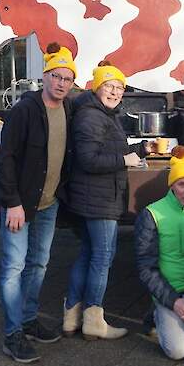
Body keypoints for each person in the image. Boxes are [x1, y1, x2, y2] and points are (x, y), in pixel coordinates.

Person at [0, 42, 76, 363]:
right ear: (44, 76)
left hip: (49, 202)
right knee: (14, 266)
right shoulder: (25, 111)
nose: (60, 83)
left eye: (67, 79)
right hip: (20, 203)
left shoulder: (70, 109)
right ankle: (12, 334)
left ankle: (28, 320)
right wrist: (12, 201)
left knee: (39, 263)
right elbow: (6, 159)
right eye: (55, 76)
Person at [63, 60, 147, 340]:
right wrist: (125, 159)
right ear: (97, 87)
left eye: (120, 87)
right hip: (98, 197)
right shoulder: (90, 116)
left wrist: (141, 148)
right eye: (109, 86)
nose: (115, 92)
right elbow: (89, 160)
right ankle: (94, 320)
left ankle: (71, 317)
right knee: (102, 256)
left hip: (96, 195)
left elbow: (108, 148)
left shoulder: (102, 113)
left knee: (89, 252)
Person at [134, 146, 184, 360]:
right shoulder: (151, 214)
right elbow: (145, 267)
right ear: (172, 185)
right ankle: (159, 312)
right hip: (172, 291)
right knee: (179, 351)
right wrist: (173, 301)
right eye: (182, 184)